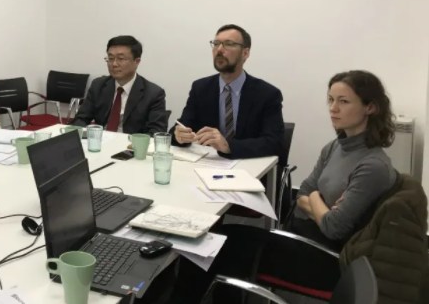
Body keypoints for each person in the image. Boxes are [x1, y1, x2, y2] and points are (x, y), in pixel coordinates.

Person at [292, 70, 397, 250]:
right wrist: (324, 211)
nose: (333, 108)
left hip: (326, 252)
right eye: (331, 100)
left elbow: (334, 228)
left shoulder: (373, 166)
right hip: (304, 235)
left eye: (343, 101)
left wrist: (315, 197)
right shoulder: (334, 146)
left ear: (370, 108)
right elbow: (302, 194)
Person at [173, 24, 283, 159]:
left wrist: (228, 146)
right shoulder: (200, 88)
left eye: (228, 44)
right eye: (216, 44)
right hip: (207, 164)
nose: (219, 49)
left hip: (249, 166)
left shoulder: (267, 94)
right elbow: (182, 126)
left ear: (245, 53)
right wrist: (179, 136)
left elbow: (274, 142)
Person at [72, 36, 167, 135]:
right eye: (110, 58)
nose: (114, 64)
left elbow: (157, 132)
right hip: (100, 141)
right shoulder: (99, 85)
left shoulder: (154, 93)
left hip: (131, 143)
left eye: (121, 59)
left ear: (136, 62)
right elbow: (80, 119)